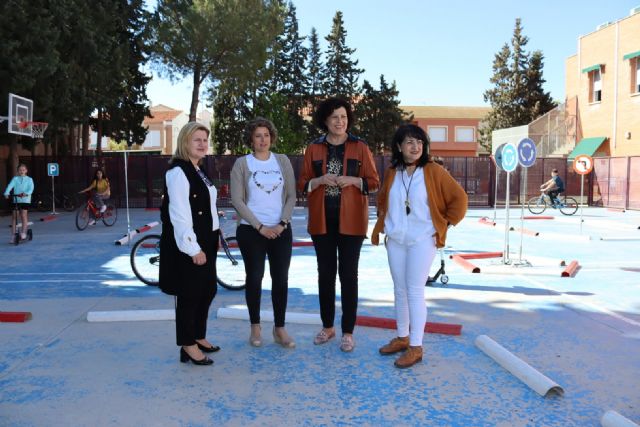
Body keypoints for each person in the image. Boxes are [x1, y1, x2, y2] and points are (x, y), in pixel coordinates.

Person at [371, 124, 467, 368]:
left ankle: (416, 346)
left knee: (414, 290)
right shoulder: (394, 171)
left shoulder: (433, 171)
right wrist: (386, 222)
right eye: (409, 142)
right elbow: (384, 198)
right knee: (399, 290)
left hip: (422, 240)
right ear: (399, 147)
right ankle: (402, 337)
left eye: (419, 142)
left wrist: (444, 224)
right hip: (396, 240)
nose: (415, 147)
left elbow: (460, 200)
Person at [297, 97, 380, 352]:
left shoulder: (360, 147)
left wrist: (354, 181)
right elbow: (303, 185)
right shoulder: (313, 149)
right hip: (322, 223)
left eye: (343, 117)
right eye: (334, 117)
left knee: (348, 276)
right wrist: (320, 179)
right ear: (325, 121)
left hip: (352, 223)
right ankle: (328, 326)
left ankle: (348, 331)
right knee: (325, 276)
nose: (339, 122)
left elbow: (374, 183)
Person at [230, 117, 297, 349]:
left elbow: (291, 196)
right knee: (255, 278)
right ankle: (255, 327)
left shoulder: (282, 161)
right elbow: (237, 200)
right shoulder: (242, 164)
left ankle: (279, 328)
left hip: (280, 230)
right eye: (258, 135)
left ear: (272, 137)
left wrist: (281, 224)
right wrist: (260, 227)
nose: (263, 140)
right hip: (252, 231)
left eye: (266, 135)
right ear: (251, 138)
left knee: (281, 279)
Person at [158, 121, 220, 366]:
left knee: (207, 290)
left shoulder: (198, 170)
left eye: (205, 140)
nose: (203, 144)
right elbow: (180, 215)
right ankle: (187, 345)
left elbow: (206, 206)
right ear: (185, 142)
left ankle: (198, 335)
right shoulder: (178, 173)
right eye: (197, 140)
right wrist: (193, 248)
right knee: (190, 295)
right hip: (190, 243)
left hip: (207, 237)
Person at [4, 163, 34, 243]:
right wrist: (6, 193)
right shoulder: (15, 179)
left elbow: (31, 189)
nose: (22, 171)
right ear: (18, 171)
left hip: (25, 200)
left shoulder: (29, 179)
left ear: (26, 171)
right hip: (16, 199)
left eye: (23, 170)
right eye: (20, 170)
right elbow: (10, 186)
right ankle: (13, 235)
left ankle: (23, 232)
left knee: (23, 215)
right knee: (14, 217)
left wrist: (26, 193)